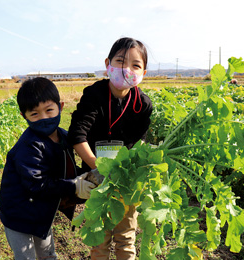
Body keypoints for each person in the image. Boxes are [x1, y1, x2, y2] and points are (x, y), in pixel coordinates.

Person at [68, 37, 153, 260]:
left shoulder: (142, 104)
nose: (127, 69)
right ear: (108, 64)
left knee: (126, 236)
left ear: (144, 71)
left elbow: (137, 145)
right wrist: (100, 169)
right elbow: (78, 135)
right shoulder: (94, 95)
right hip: (96, 173)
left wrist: (123, 173)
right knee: (100, 238)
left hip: (126, 178)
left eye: (136, 65)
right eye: (120, 61)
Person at [0, 77, 96, 260]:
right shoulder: (29, 147)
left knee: (47, 253)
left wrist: (88, 176)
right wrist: (74, 186)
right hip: (17, 214)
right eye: (35, 114)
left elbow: (69, 168)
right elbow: (37, 185)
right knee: (25, 257)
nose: (43, 118)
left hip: (41, 210)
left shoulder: (64, 138)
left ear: (61, 106)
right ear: (24, 116)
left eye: (49, 110)